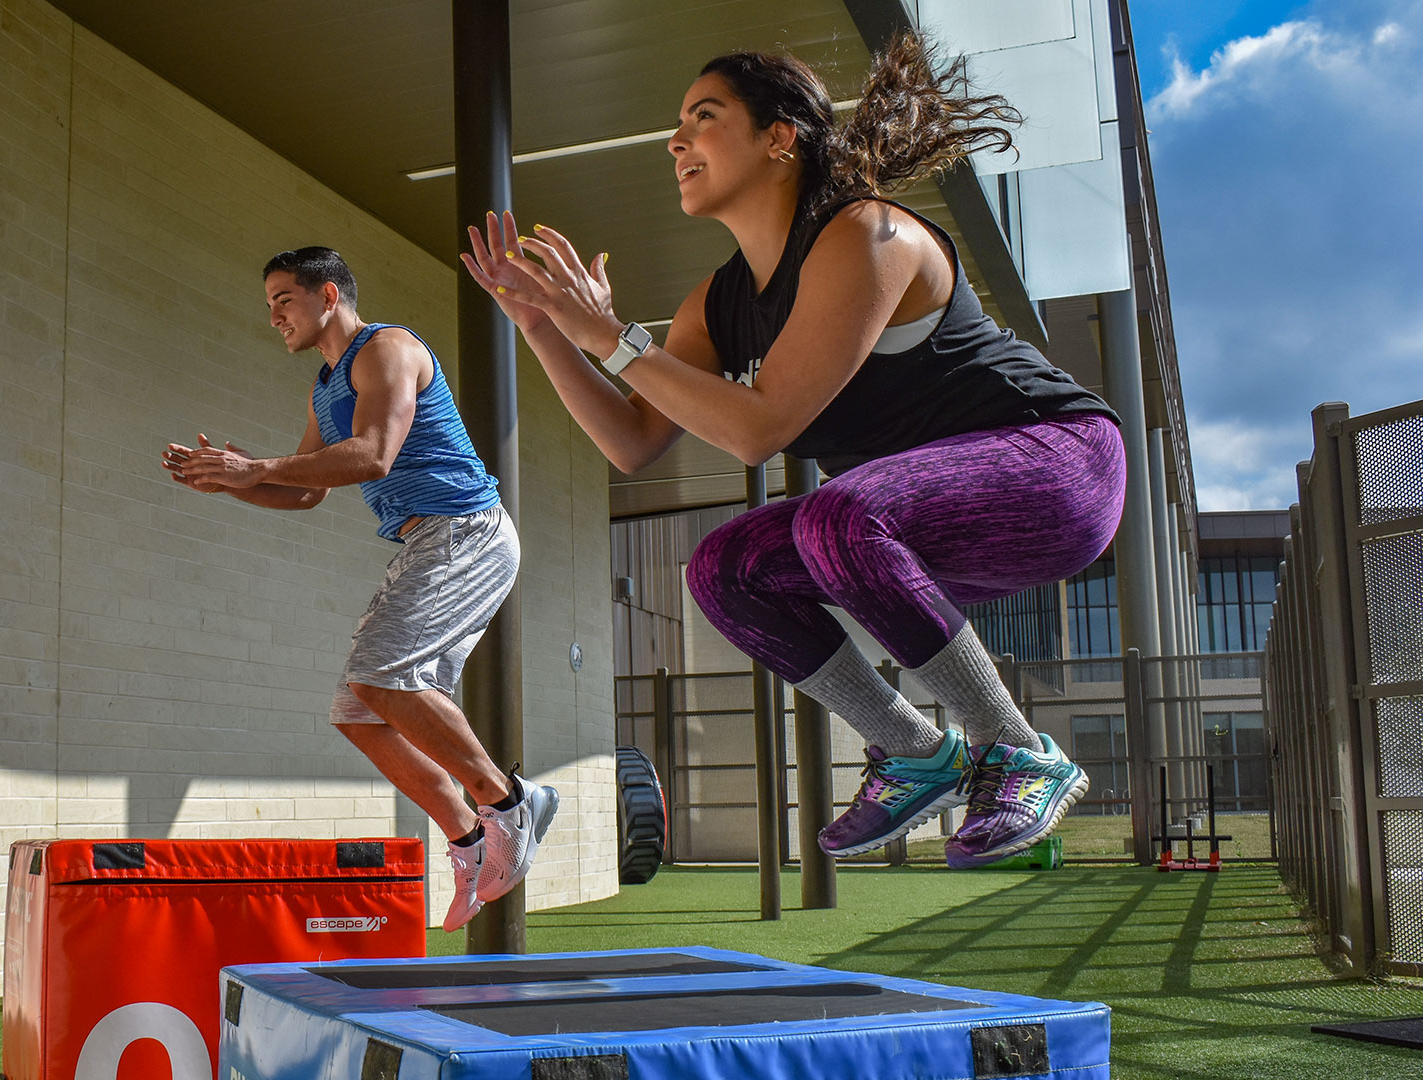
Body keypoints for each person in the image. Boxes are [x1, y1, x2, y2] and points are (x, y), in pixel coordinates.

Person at [461, 34, 1125, 869]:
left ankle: (1018, 750)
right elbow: (632, 442)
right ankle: (917, 752)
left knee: (837, 516)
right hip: (919, 523)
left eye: (703, 118)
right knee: (722, 569)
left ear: (781, 138)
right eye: (676, 125)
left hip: (1058, 468)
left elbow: (758, 427)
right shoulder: (716, 305)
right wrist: (547, 331)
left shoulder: (869, 236)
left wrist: (615, 336)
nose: (676, 141)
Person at [164, 247, 556, 928]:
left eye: (284, 300)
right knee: (357, 709)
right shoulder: (325, 385)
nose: (275, 317)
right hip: (424, 540)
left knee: (381, 675)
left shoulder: (388, 349)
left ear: (326, 296)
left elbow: (374, 452)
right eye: (270, 306)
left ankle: (512, 803)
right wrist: (235, 484)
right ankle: (467, 839)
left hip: (466, 529)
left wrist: (254, 466)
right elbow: (308, 492)